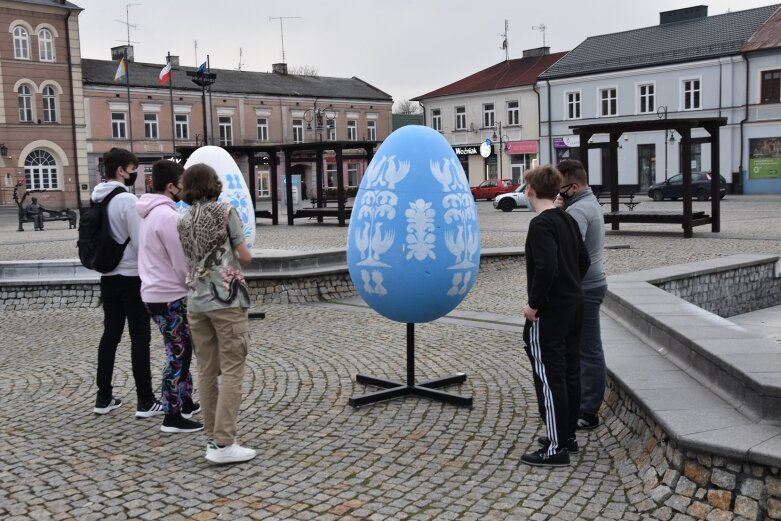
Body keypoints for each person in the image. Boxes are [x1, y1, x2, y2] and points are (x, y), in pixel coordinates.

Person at [177, 163, 256, 464]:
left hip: (196, 301)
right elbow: (244, 256)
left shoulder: (182, 219)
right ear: (214, 183)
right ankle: (225, 442)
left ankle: (212, 439)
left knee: (207, 371)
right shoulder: (226, 212)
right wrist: (239, 258)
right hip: (227, 300)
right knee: (234, 367)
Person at [520, 165, 590, 467]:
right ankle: (567, 435)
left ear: (531, 191)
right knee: (570, 371)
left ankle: (555, 449)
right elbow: (583, 260)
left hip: (551, 311)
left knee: (549, 376)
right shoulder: (567, 219)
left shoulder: (541, 224)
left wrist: (534, 305)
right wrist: (570, 286)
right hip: (575, 306)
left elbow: (547, 268)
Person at [92, 147, 163, 418]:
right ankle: (145, 400)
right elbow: (141, 241)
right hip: (131, 276)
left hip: (108, 275)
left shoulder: (97, 197)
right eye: (133, 170)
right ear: (121, 170)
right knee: (140, 337)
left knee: (110, 335)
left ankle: (103, 396)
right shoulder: (126, 201)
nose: (134, 174)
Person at [137, 160, 203, 433]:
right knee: (179, 354)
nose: (185, 188)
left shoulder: (150, 212)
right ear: (171, 186)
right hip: (170, 294)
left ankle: (184, 401)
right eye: (183, 183)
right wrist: (194, 282)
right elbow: (181, 261)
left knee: (179, 348)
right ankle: (172, 414)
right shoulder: (168, 217)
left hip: (154, 292)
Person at [556, 159, 608, 431]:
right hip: (592, 285)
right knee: (584, 348)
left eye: (560, 187)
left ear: (573, 187)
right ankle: (584, 405)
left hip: (585, 288)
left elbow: (569, 253)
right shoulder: (587, 204)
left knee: (588, 350)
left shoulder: (578, 211)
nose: (557, 193)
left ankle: (588, 411)